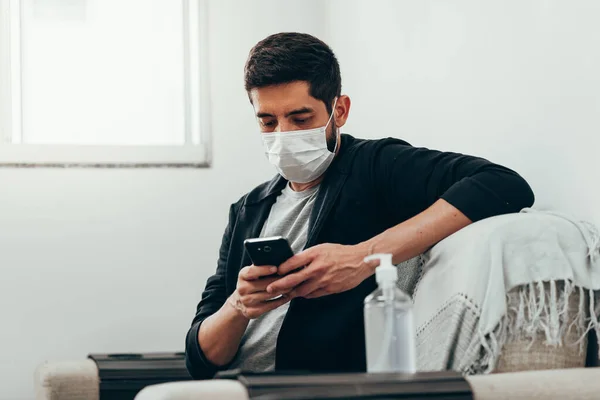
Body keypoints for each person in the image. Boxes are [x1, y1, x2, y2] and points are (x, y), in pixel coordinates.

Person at [185, 32, 535, 379]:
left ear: (339, 110)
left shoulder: (375, 166)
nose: (283, 135)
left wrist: (363, 258)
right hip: (232, 384)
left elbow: (503, 185)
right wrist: (238, 305)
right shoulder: (248, 209)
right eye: (268, 121)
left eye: (301, 118)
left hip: (307, 386)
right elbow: (200, 358)